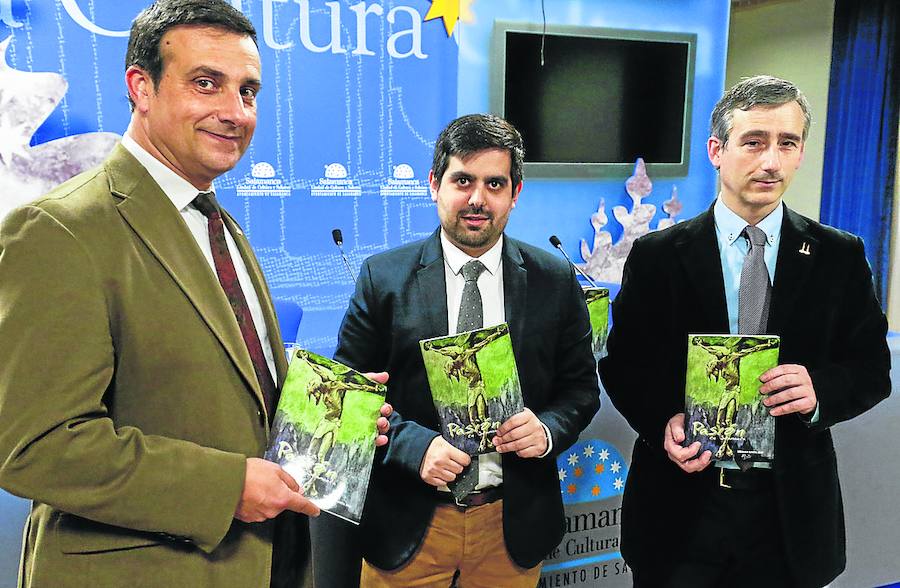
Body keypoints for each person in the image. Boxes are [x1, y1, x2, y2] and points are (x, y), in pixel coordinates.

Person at [0, 1, 389, 587]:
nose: (234, 112)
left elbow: (221, 397)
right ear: (142, 88)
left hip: (265, 564)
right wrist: (227, 487)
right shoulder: (58, 230)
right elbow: (38, 445)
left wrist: (329, 423)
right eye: (206, 84)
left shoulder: (219, 225)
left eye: (248, 92)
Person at [598, 75, 891, 587]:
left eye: (787, 143)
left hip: (790, 518)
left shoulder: (839, 256)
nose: (771, 161)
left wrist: (820, 388)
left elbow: (872, 368)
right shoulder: (657, 257)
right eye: (754, 141)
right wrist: (660, 419)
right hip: (680, 512)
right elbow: (623, 364)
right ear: (717, 149)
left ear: (801, 154)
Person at [332, 113, 600, 587]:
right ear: (435, 184)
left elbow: (580, 390)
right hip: (409, 523)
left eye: (495, 183)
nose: (478, 199)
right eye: (463, 180)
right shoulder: (383, 278)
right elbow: (349, 396)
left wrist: (546, 430)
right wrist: (415, 448)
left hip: (510, 525)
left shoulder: (554, 280)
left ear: (514, 194)